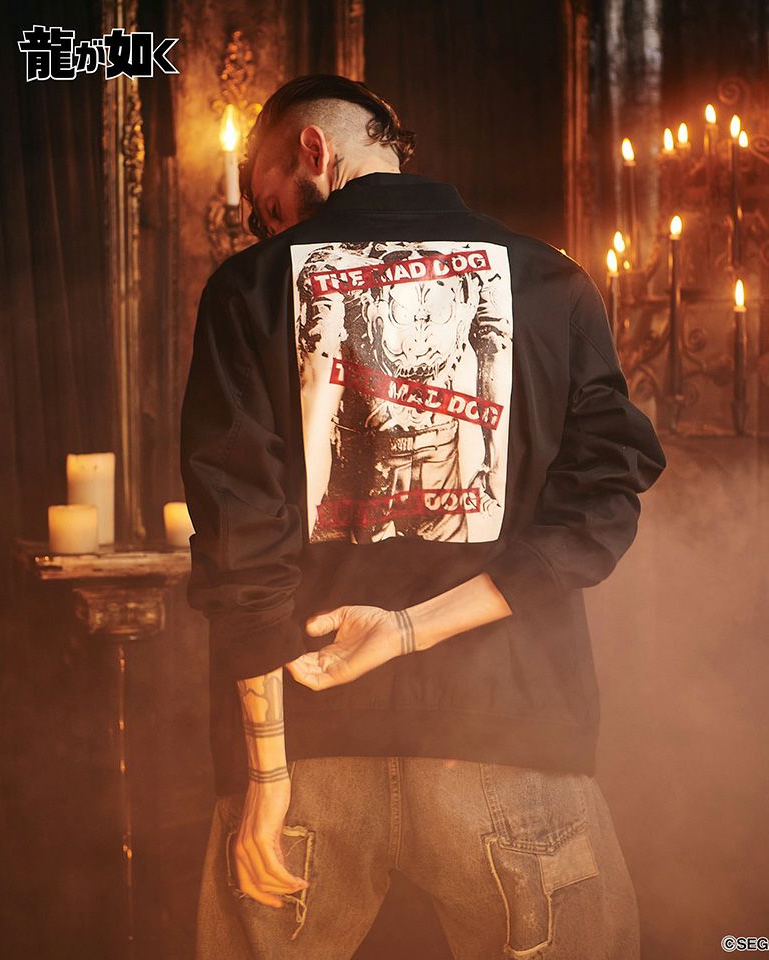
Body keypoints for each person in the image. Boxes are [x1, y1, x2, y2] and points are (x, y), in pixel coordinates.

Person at [180, 74, 666, 960]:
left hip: (306, 750)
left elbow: (239, 538)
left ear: (312, 152)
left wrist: (266, 776)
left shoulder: (248, 290)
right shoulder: (550, 281)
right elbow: (601, 504)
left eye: (266, 204)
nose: (265, 229)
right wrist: (409, 630)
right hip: (512, 733)